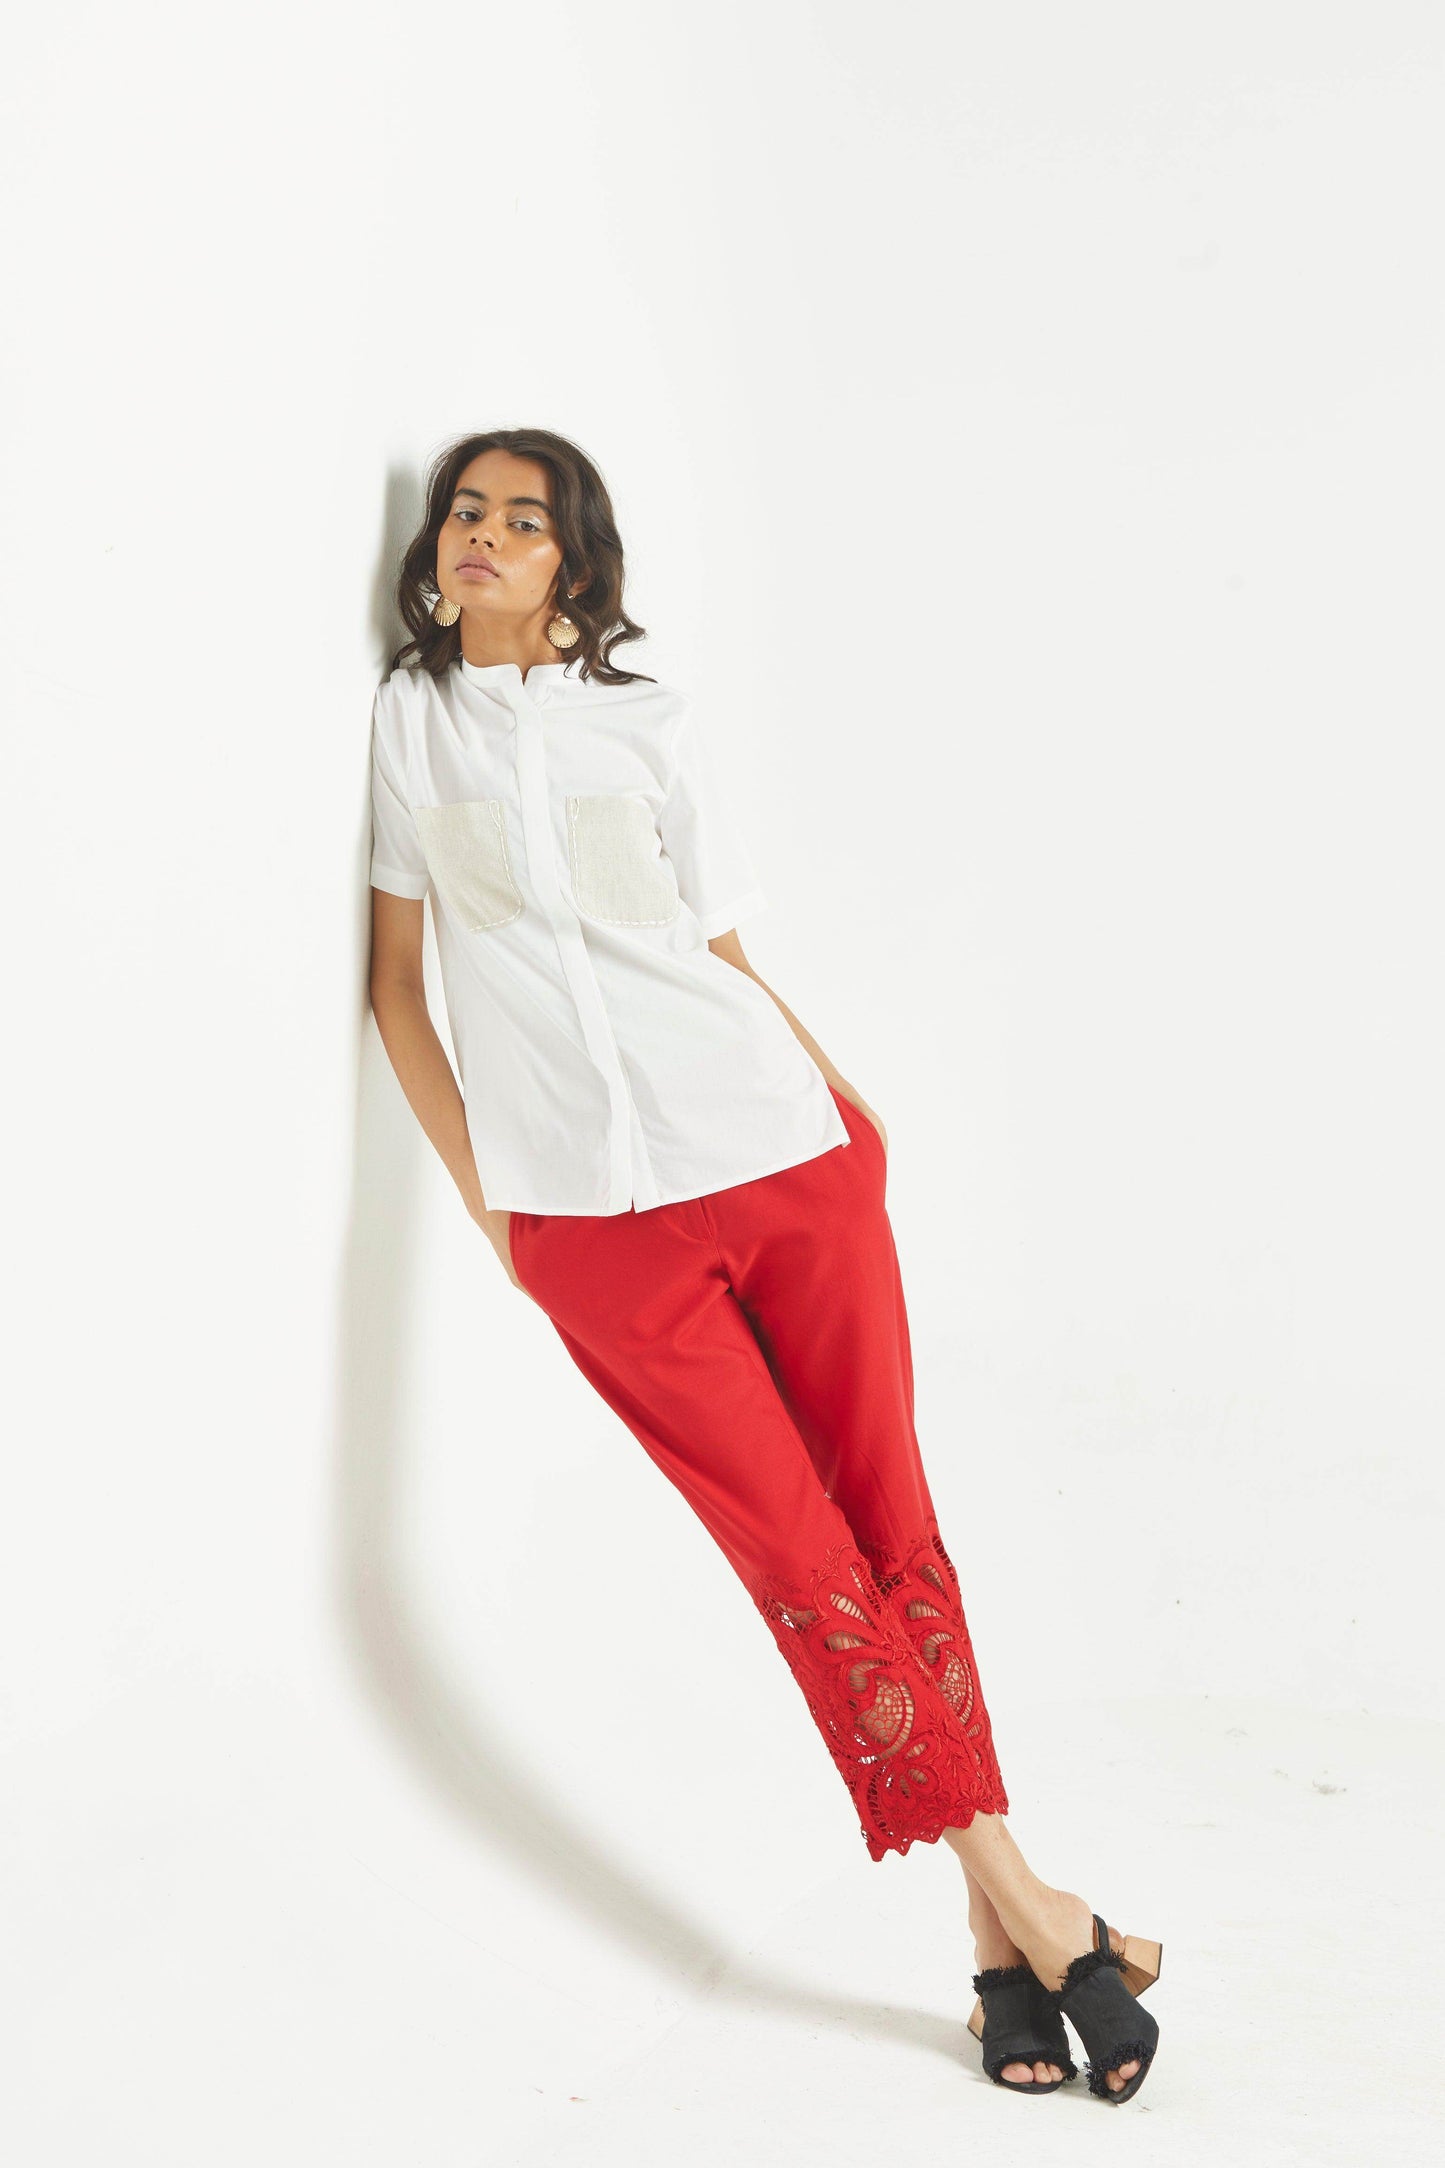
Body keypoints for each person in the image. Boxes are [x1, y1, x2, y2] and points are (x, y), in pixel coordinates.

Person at [365, 427, 1163, 2104]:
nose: (484, 536)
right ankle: (1041, 1909)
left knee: (887, 1530)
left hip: (780, 1156)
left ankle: (998, 1946)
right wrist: (497, 1213)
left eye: (524, 520)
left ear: (576, 561)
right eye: (465, 512)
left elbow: (716, 949)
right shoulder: (406, 724)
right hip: (587, 1226)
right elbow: (395, 992)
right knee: (802, 1566)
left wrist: (847, 1109)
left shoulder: (650, 722)